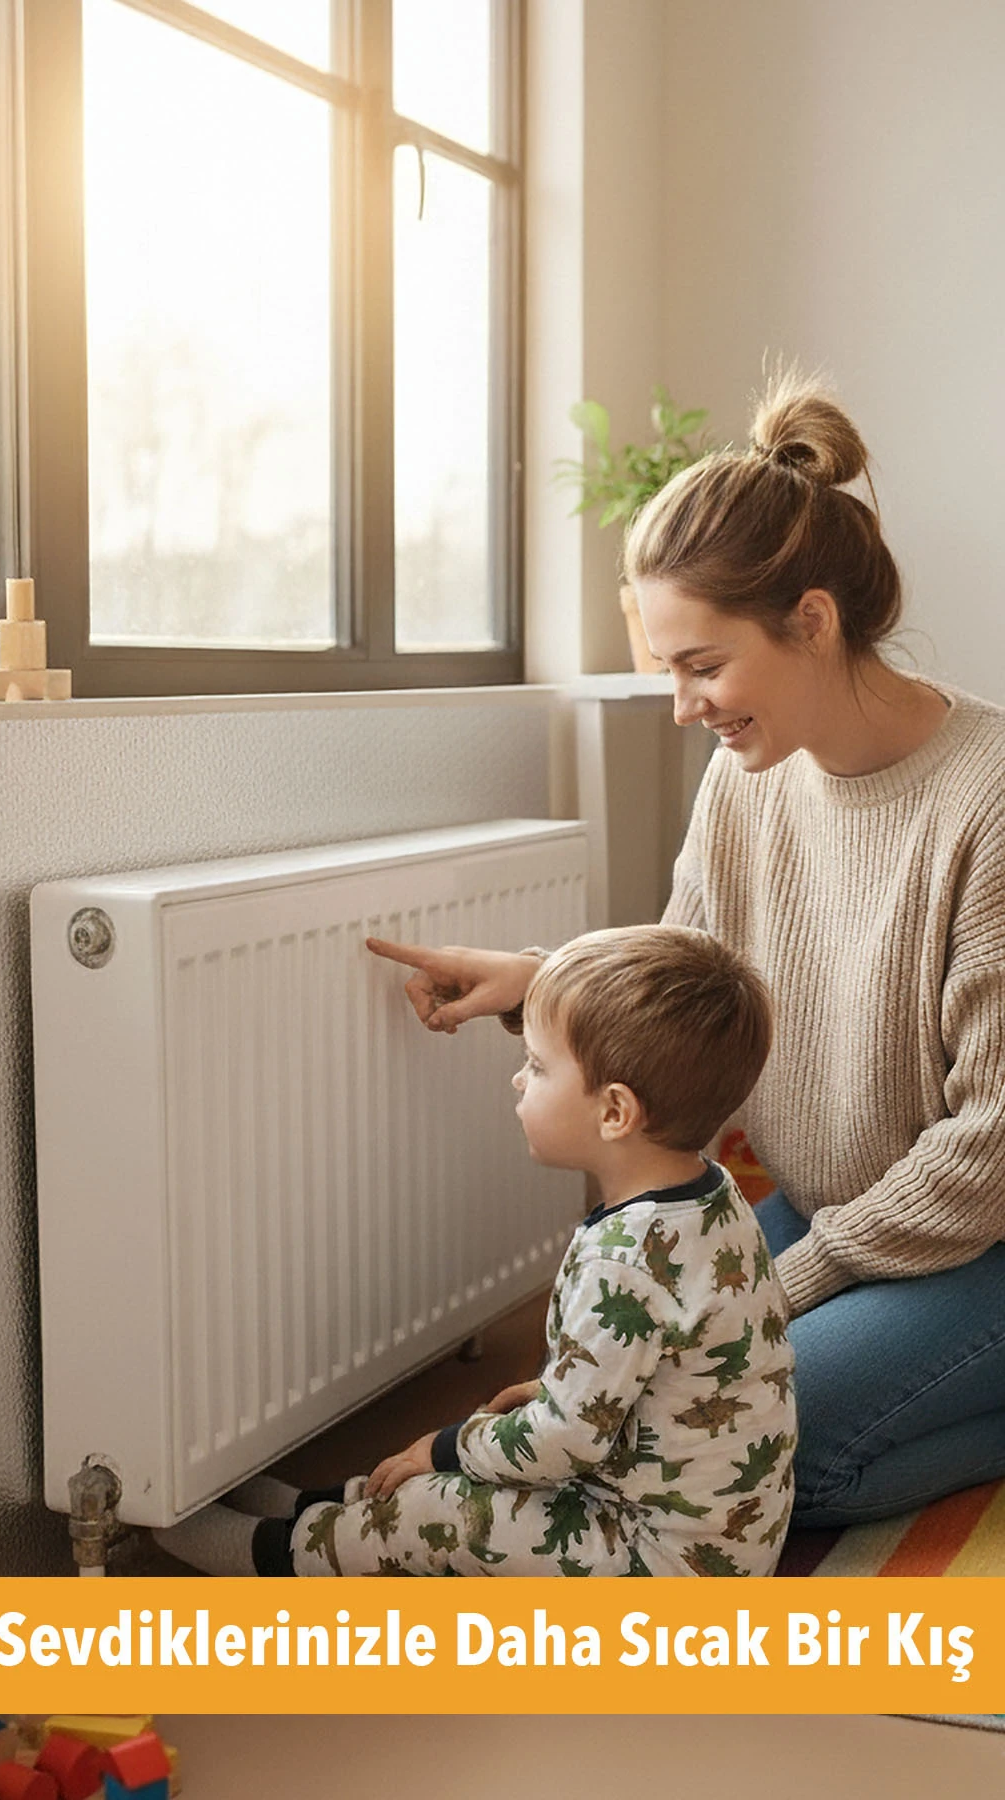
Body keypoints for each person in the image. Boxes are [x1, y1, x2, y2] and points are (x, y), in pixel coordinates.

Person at [369, 367, 1005, 1532]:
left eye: (702, 665)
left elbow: (990, 1148)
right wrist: (538, 985)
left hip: (980, 1244)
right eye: (669, 668)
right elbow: (687, 985)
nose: (681, 705)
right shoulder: (745, 781)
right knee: (631, 1396)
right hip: (836, 1215)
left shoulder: (989, 798)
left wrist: (784, 1281)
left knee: (763, 1467)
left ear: (812, 622)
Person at [153, 924, 796, 1578]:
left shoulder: (622, 1259)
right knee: (485, 1463)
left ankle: (270, 1556)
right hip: (722, 1536)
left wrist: (447, 1446)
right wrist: (545, 1401)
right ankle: (323, 1511)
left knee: (447, 1509)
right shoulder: (715, 1197)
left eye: (539, 1067)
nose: (520, 1081)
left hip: (660, 1562)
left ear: (615, 1113)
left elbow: (564, 1444)